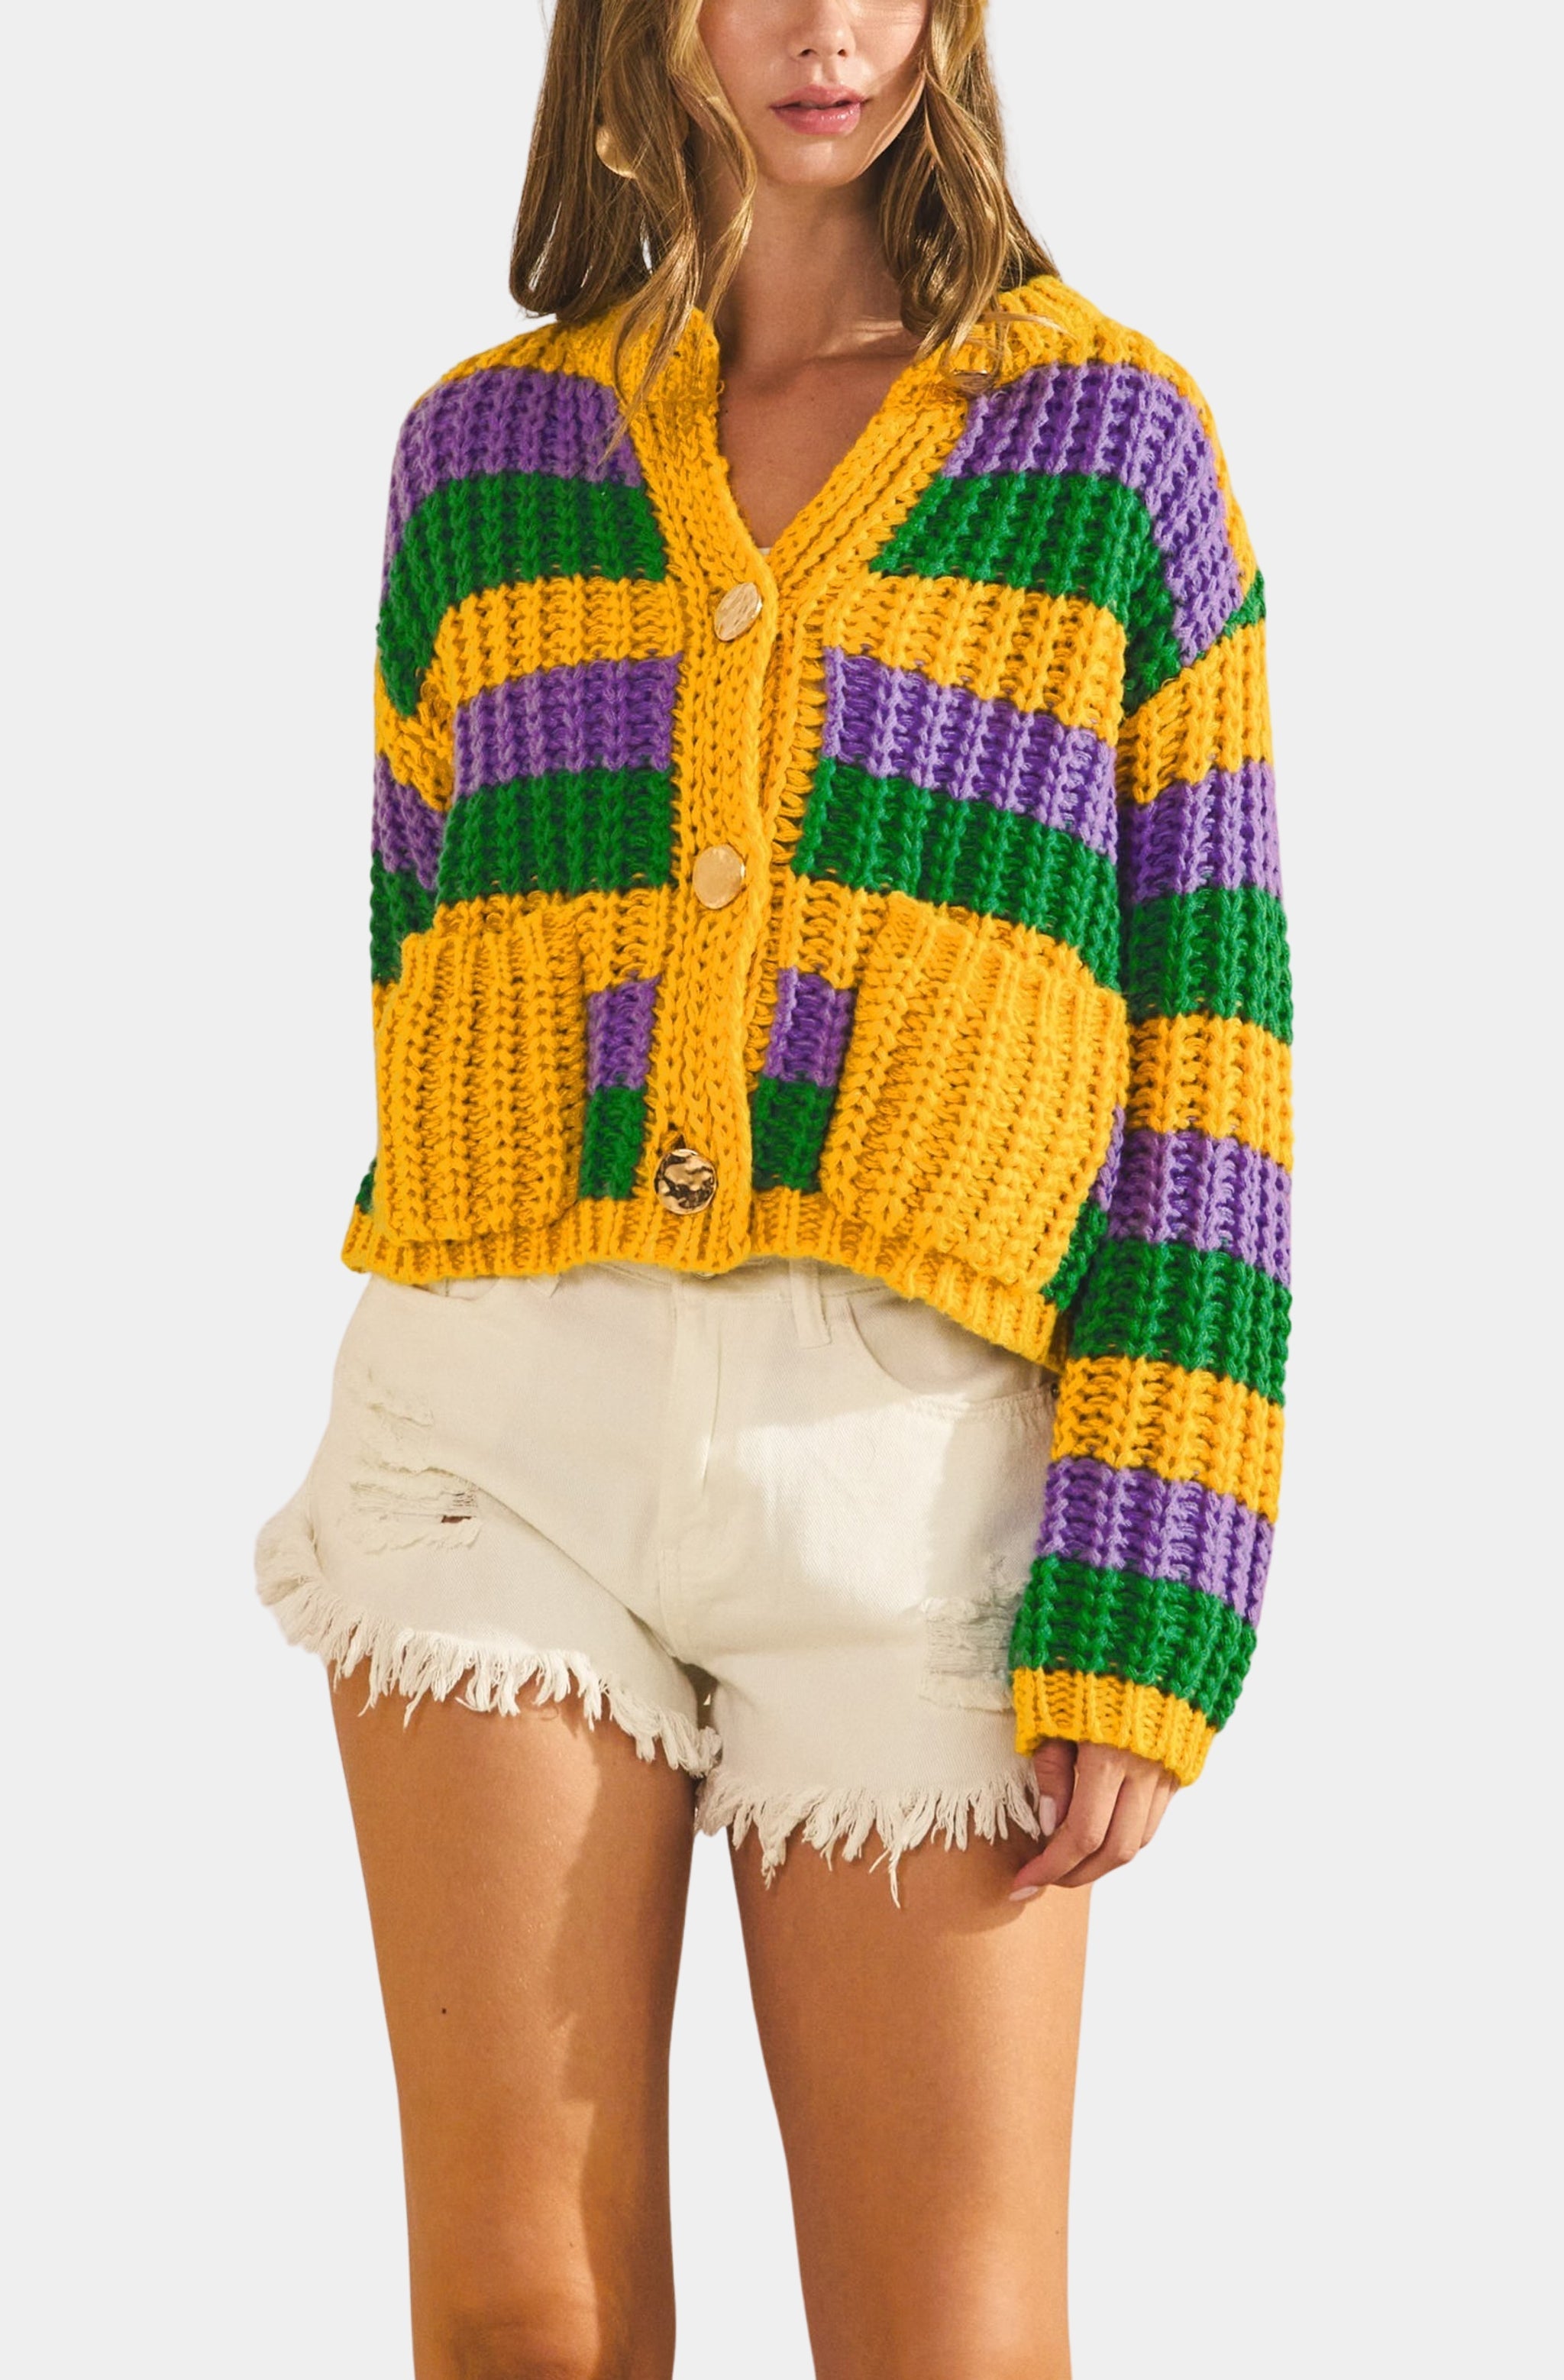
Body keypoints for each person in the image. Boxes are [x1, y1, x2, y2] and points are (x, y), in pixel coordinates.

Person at [255, 2, 1292, 2372]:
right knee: (524, 2323)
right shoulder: (478, 458)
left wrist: (1161, 1574)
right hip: (501, 1436)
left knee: (949, 2342)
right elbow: (426, 941)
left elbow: (1213, 1047)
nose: (829, 26)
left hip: (920, 1476)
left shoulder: (1110, 449)